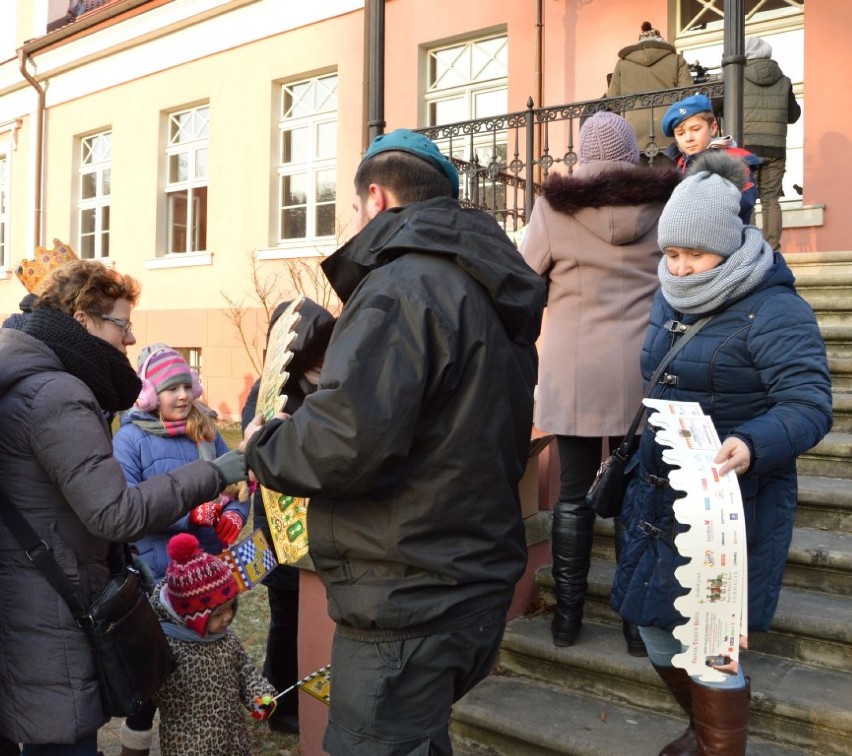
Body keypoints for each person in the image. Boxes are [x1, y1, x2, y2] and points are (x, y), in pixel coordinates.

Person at [241, 128, 546, 755]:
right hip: (469, 580)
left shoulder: (402, 286)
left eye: (355, 208)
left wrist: (263, 443)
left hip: (409, 593)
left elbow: (342, 444)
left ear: (376, 198)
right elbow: (456, 423)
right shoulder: (484, 286)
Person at [610, 151, 832, 754]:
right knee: (656, 634)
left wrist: (753, 441)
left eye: (694, 255)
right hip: (660, 493)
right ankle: (704, 726)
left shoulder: (776, 309)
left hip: (735, 504)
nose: (679, 269)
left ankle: (718, 743)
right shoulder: (669, 295)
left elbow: (810, 405)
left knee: (712, 643)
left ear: (730, 249)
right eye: (671, 254)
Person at [0, 257, 247, 755]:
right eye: (122, 324)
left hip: (23, 594)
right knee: (62, 742)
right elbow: (115, 513)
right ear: (80, 318)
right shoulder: (55, 393)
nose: (129, 339)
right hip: (50, 608)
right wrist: (217, 473)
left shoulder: (21, 374)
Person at [520, 111, 682, 655]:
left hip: (573, 369)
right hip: (645, 369)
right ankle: (637, 626)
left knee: (572, 496)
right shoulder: (664, 207)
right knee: (641, 496)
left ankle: (567, 618)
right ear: (633, 154)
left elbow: (523, 277)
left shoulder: (553, 208)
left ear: (583, 157)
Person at [113, 344, 250, 756]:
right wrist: (192, 513)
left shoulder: (206, 430)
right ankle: (134, 747)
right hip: (157, 582)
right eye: (171, 389)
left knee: (209, 667)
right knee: (153, 679)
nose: (183, 396)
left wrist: (237, 513)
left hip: (209, 580)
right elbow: (127, 511)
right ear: (150, 395)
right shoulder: (131, 439)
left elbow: (238, 481)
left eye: (186, 386)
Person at [240, 297, 335, 735]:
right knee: (284, 618)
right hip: (280, 528)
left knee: (315, 617)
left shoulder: (333, 386)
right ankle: (280, 705)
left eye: (325, 354)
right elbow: (255, 451)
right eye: (312, 357)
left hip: (321, 526)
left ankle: (306, 696)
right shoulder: (269, 393)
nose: (321, 364)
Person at [149, 533, 277, 756]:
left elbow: (245, 672)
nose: (228, 618)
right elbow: (146, 696)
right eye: (218, 614)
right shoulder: (166, 647)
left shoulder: (226, 638)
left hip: (233, 739)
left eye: (231, 607)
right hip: (190, 746)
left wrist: (260, 696)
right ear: (192, 616)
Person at [661, 93, 762, 222]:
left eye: (696, 129)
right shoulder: (679, 166)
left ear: (713, 128)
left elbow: (743, 203)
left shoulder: (735, 159)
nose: (688, 138)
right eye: (680, 133)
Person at [742, 36, 801, 251]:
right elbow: (794, 115)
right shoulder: (784, 80)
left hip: (746, 149)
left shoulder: (736, 77)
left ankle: (752, 249)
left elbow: (719, 106)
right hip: (776, 148)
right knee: (770, 200)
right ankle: (773, 250)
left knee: (748, 198)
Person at [606, 21, 693, 165]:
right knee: (669, 182)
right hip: (667, 132)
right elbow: (687, 97)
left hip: (633, 133)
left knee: (640, 184)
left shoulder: (623, 63)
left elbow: (613, 101)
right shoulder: (676, 60)